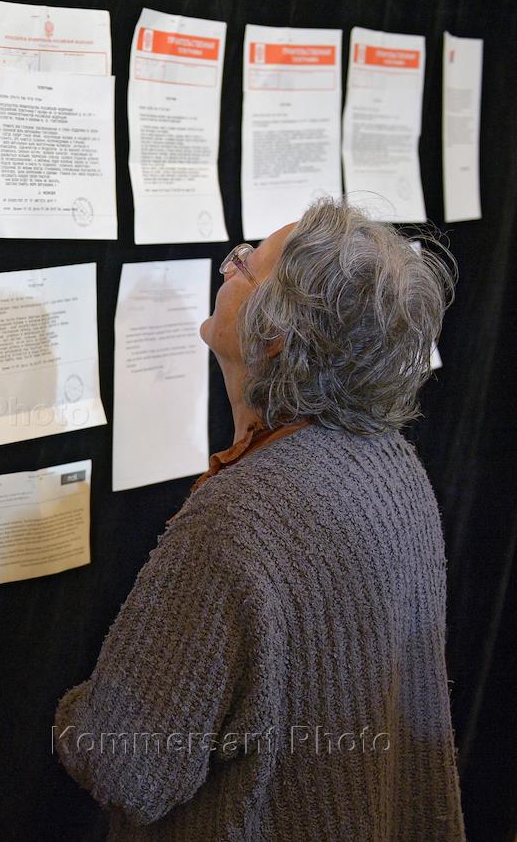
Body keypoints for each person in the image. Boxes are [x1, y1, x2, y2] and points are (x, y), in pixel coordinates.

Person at [54, 199, 466, 840]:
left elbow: (127, 767)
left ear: (272, 336)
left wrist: (71, 716)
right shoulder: (395, 465)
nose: (228, 267)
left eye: (246, 265)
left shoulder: (238, 518)